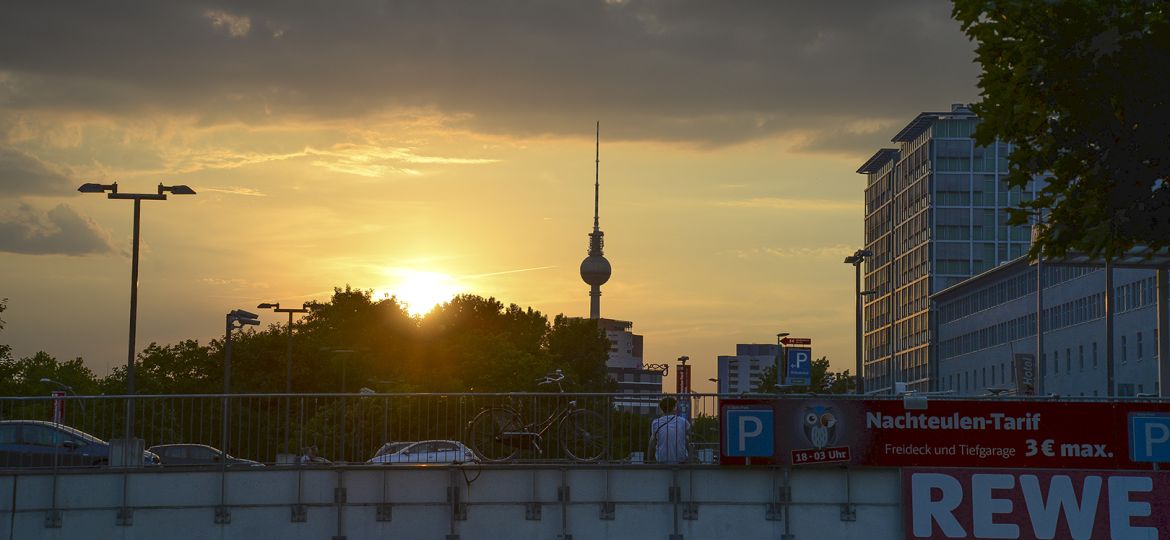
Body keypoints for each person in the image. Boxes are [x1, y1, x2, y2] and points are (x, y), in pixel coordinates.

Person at [649, 396, 691, 464]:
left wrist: (650, 460)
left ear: (661, 409)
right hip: (680, 460)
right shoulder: (683, 421)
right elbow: (689, 436)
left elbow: (652, 443)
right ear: (674, 407)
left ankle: (650, 461)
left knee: (653, 438)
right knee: (686, 437)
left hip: (662, 460)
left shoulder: (656, 423)